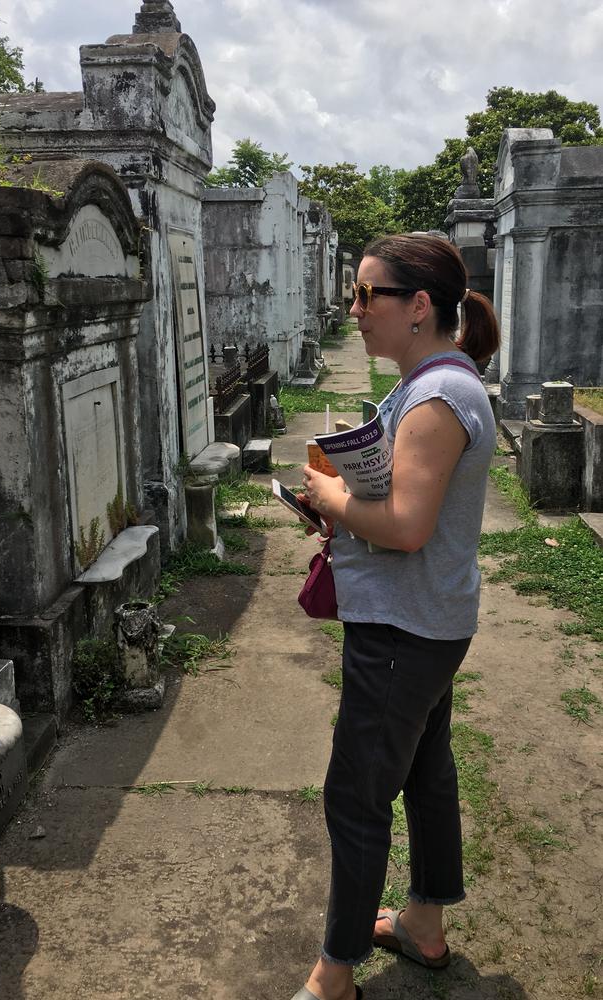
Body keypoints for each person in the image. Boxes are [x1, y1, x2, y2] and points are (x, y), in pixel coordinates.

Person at [290, 234, 500, 1000]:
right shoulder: (439, 383)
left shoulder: (440, 396)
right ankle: (423, 924)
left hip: (402, 632)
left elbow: (407, 526)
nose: (354, 310)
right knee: (424, 771)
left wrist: (328, 498)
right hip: (428, 620)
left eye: (365, 295)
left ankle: (334, 972)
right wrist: (346, 508)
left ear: (418, 307)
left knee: (357, 794)